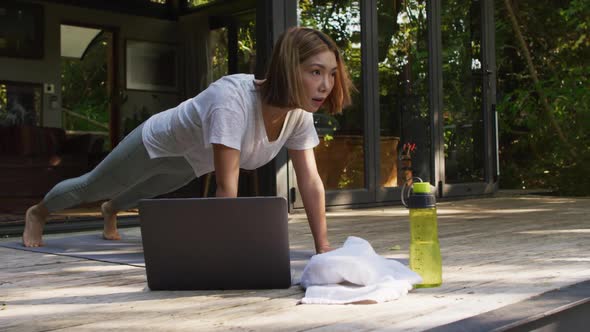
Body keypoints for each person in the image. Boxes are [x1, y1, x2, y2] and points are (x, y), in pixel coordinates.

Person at [23, 27, 353, 254]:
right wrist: (224, 252)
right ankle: (38, 213)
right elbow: (227, 188)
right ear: (286, 68)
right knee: (94, 186)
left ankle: (111, 210)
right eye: (315, 72)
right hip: (157, 142)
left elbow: (310, 181)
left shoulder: (298, 113)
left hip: (192, 160)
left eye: (332, 73)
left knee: (144, 191)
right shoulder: (232, 100)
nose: (326, 84)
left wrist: (322, 246)